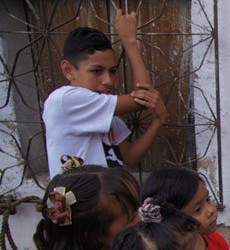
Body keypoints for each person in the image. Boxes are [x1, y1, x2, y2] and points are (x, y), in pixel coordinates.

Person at [43, 9, 166, 178]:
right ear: (68, 70)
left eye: (113, 71)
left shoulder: (105, 112)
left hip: (108, 200)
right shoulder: (65, 100)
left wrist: (158, 121)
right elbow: (141, 98)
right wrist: (129, 42)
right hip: (79, 202)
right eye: (96, 71)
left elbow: (130, 157)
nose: (108, 80)